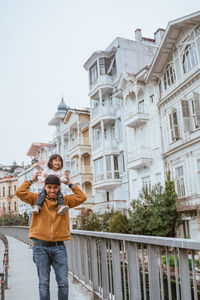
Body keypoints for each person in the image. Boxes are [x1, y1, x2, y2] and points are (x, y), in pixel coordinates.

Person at [15, 172, 87, 300]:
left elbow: (82, 197)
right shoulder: (36, 199)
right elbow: (19, 192)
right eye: (49, 187)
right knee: (44, 283)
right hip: (40, 248)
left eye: (55, 187)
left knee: (64, 283)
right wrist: (31, 180)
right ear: (45, 187)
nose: (52, 190)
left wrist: (69, 183)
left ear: (59, 188)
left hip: (59, 247)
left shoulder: (65, 201)